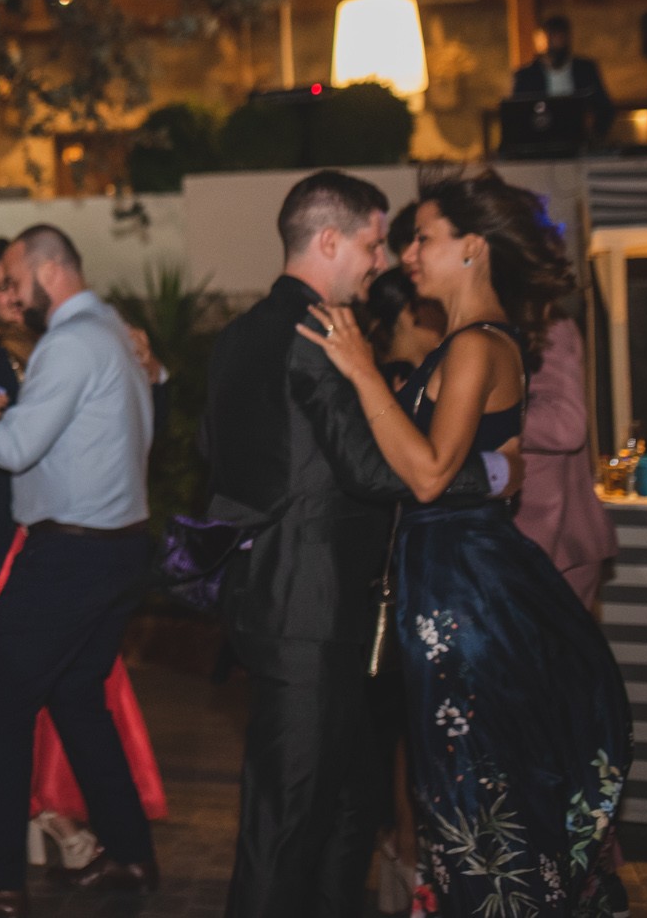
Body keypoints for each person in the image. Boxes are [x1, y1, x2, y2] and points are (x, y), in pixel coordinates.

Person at [301, 168, 630, 917]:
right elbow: (494, 473)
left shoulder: (477, 344)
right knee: (457, 777)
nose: (407, 254)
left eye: (423, 237)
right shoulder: (465, 344)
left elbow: (424, 475)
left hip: (463, 591)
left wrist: (361, 372)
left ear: (473, 247)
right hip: (449, 580)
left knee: (470, 778)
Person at [204, 173, 504, 918]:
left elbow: (222, 461)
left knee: (344, 805)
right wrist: (486, 472)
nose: (381, 260)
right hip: (313, 607)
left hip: (270, 598)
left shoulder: (237, 334)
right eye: (372, 243)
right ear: (329, 241)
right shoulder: (321, 333)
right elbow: (370, 469)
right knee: (286, 825)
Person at [0, 242, 164, 884]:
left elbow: (15, 448)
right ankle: (132, 857)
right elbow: (144, 432)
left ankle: (5, 880)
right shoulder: (107, 331)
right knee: (77, 698)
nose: (13, 296)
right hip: (112, 546)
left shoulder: (71, 342)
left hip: (69, 552)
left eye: (16, 281)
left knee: (3, 702)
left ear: (47, 274)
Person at [513, 311, 616, 608]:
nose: (411, 259)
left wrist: (471, 411)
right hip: (521, 540)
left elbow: (564, 425)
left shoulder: (546, 327)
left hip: (555, 539)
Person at [512, 13, 615, 141]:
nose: (557, 41)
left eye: (560, 36)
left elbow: (604, 107)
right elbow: (517, 115)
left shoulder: (585, 70)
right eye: (552, 36)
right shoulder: (526, 76)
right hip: (540, 143)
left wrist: (594, 128)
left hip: (579, 141)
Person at [362, 267, 447, 393]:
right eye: (435, 304)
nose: (444, 314)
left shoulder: (379, 378)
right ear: (408, 313)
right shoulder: (397, 384)